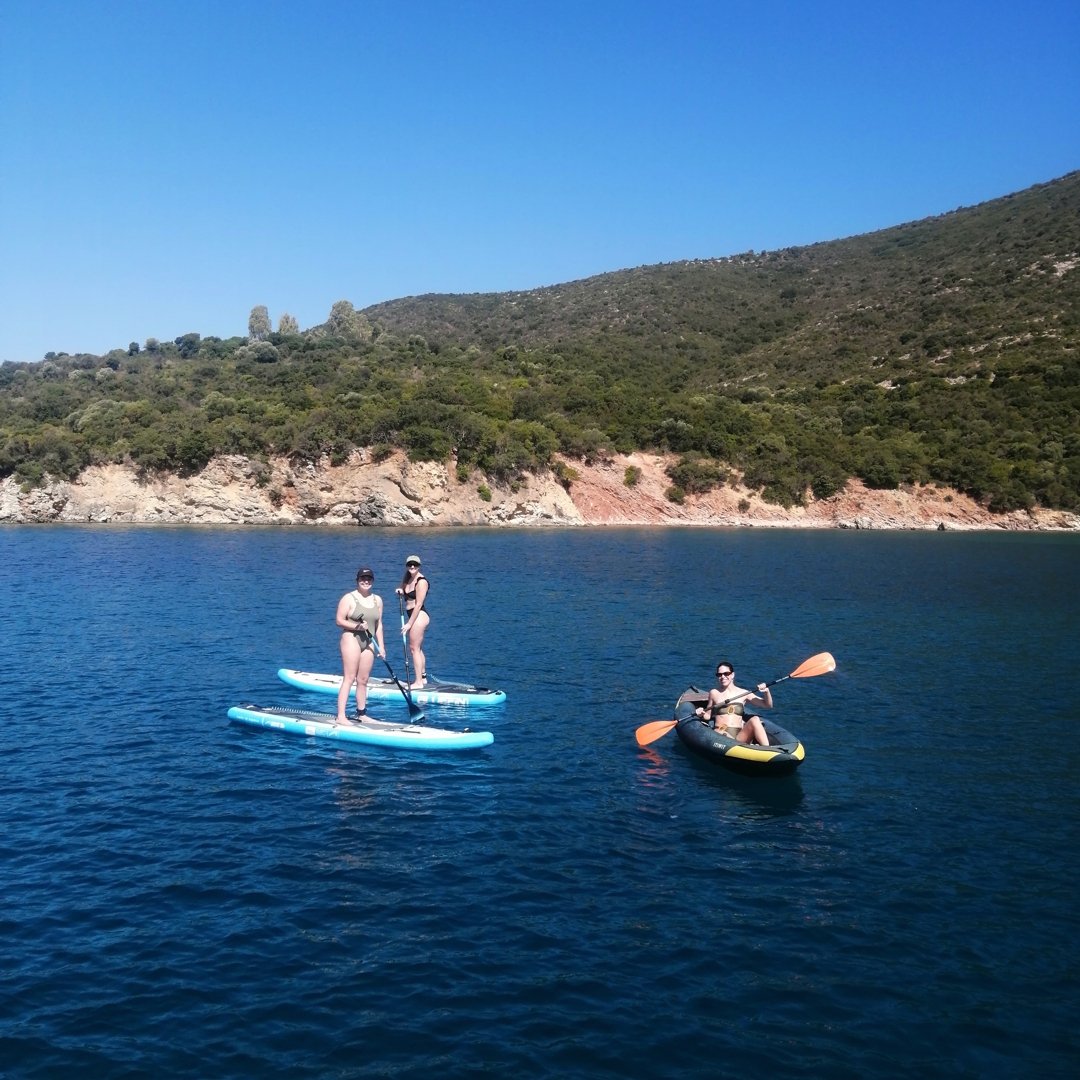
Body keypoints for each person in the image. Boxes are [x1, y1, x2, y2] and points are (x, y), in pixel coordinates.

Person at [335, 567, 385, 723]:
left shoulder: (377, 600)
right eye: (363, 579)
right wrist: (356, 626)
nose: (366, 581)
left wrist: (382, 647)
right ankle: (341, 716)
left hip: (369, 642)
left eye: (369, 579)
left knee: (363, 680)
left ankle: (361, 714)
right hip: (351, 638)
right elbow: (339, 620)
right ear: (357, 581)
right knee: (349, 678)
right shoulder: (348, 598)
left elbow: (379, 624)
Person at [695, 660, 773, 746]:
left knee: (755, 719)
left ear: (732, 675)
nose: (723, 676)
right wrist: (700, 713)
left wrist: (766, 692)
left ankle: (767, 748)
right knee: (722, 733)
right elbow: (707, 716)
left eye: (726, 673)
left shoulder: (744, 693)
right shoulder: (714, 693)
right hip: (721, 732)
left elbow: (767, 705)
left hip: (739, 736)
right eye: (719, 675)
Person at [396, 554, 429, 688]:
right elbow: (408, 594)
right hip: (413, 615)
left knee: (413, 648)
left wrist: (409, 624)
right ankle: (423, 677)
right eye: (410, 564)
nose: (412, 567)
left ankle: (418, 682)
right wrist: (401, 591)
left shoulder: (421, 581)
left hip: (419, 615)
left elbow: (419, 604)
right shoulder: (408, 578)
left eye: (415, 564)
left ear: (419, 566)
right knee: (418, 648)